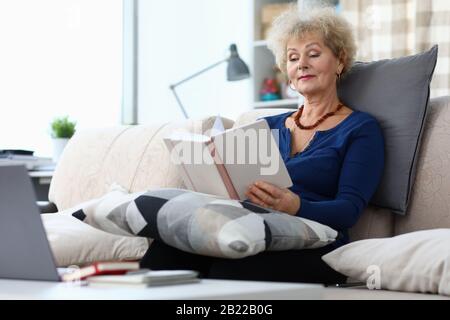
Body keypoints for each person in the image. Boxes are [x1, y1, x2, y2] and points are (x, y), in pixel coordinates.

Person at [140, 6, 384, 285]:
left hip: (316, 246)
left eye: (313, 54)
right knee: (165, 253)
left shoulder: (361, 129)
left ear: (339, 61)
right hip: (249, 229)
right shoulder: (265, 127)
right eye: (293, 58)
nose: (302, 64)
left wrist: (296, 205)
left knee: (230, 271)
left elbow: (349, 209)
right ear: (287, 71)